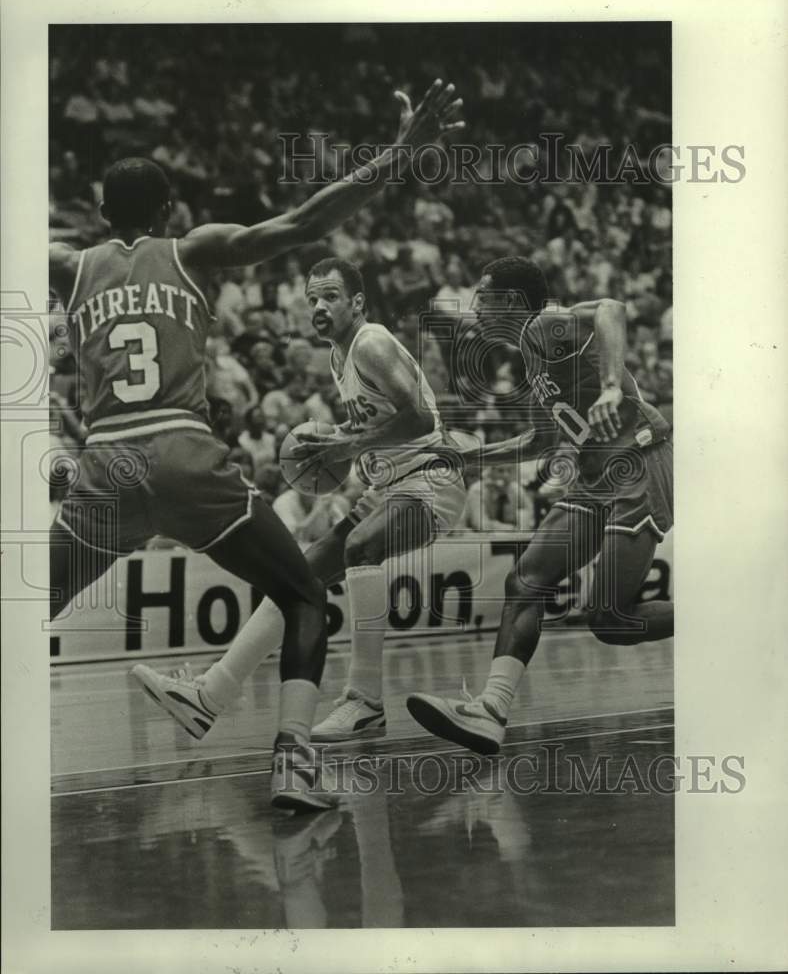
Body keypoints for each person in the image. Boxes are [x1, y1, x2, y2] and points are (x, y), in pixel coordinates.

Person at [48, 77, 466, 809]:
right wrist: (399, 154)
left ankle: (214, 696)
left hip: (107, 463)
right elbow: (304, 222)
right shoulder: (193, 249)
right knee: (303, 594)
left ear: (99, 213)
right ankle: (293, 760)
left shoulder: (69, 266)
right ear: (169, 211)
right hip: (183, 456)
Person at [138, 257, 468, 745]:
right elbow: (379, 427)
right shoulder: (338, 357)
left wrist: (348, 446)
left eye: (330, 296)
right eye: (312, 297)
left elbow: (419, 420)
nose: (318, 306)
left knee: (360, 548)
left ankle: (366, 700)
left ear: (357, 302)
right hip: (390, 486)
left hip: (431, 480)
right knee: (301, 580)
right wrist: (345, 438)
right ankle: (208, 695)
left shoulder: (370, 342)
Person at [407, 255, 673, 754]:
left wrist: (613, 384)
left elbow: (611, 308)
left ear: (510, 301)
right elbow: (544, 441)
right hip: (596, 478)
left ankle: (726, 619)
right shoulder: (530, 362)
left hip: (638, 461)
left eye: (482, 296)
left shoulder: (546, 324)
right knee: (526, 578)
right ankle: (491, 709)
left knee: (609, 619)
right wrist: (475, 457)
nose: (475, 307)